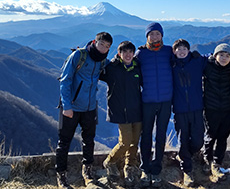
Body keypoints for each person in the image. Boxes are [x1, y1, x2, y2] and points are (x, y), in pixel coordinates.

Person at [56, 32, 113, 189]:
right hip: (71, 108)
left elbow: (114, 68)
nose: (103, 48)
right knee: (64, 142)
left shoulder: (102, 61)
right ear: (95, 42)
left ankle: (87, 172)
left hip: (90, 108)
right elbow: (65, 80)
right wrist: (67, 106)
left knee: (89, 141)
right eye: (101, 44)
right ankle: (61, 175)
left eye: (107, 46)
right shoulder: (79, 56)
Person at [135, 22, 173, 188]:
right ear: (147, 36)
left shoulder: (168, 51)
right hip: (148, 100)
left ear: (162, 35)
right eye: (152, 34)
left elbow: (183, 59)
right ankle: (145, 168)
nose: (155, 36)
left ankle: (156, 169)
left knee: (161, 135)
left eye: (158, 34)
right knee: (146, 135)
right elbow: (128, 64)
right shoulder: (141, 54)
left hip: (166, 100)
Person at [99, 41, 142, 187]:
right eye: (125, 52)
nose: (128, 55)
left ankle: (130, 166)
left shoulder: (138, 67)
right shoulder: (112, 68)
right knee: (125, 142)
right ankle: (110, 161)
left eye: (131, 52)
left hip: (137, 110)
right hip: (121, 112)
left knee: (135, 142)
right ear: (119, 54)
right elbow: (97, 71)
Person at [171, 39, 208, 186]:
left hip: (197, 107)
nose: (181, 51)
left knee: (198, 140)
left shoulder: (197, 62)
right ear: (174, 51)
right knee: (183, 139)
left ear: (188, 50)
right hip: (180, 110)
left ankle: (186, 155)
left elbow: (215, 57)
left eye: (184, 48)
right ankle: (187, 170)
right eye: (178, 49)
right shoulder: (171, 64)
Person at [202, 43, 230, 181]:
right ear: (215, 55)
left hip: (227, 108)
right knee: (210, 136)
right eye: (221, 55)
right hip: (210, 107)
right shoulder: (207, 66)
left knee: (223, 137)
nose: (224, 58)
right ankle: (207, 160)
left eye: (227, 55)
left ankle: (217, 163)